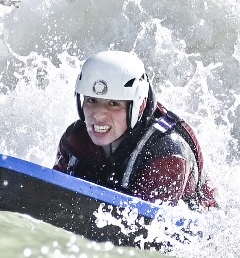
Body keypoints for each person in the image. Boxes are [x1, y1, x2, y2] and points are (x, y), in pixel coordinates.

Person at [53, 50, 218, 209]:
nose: (98, 116)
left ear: (139, 106)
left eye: (113, 103)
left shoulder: (168, 153)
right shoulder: (74, 140)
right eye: (92, 101)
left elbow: (148, 231)